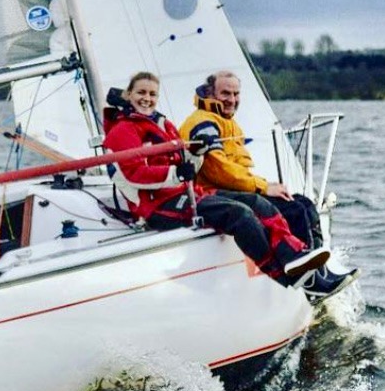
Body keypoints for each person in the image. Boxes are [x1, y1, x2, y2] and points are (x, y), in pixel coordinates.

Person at [102, 71, 327, 288]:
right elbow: (130, 174)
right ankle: (285, 277)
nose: (147, 99)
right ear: (129, 95)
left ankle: (296, 257)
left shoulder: (164, 125)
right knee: (240, 214)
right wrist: (176, 174)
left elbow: (187, 162)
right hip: (156, 206)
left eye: (152, 94)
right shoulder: (122, 131)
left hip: (186, 193)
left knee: (259, 204)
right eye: (141, 92)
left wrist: (196, 154)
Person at [179, 70, 359, 302]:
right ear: (210, 93)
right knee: (288, 209)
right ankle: (311, 282)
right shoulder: (203, 122)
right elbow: (218, 170)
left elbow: (239, 167)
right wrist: (263, 187)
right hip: (211, 192)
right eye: (225, 93)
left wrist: (263, 186)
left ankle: (319, 273)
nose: (231, 99)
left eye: (235, 94)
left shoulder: (228, 123)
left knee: (303, 204)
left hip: (233, 189)